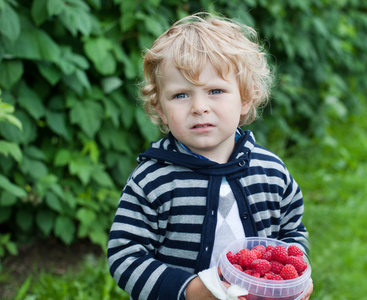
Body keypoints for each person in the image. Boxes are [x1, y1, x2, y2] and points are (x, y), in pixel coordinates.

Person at [107, 12, 313, 300]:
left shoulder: (271, 172)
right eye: (180, 95)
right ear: (160, 109)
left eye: (215, 90)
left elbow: (291, 235)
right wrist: (189, 290)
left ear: (245, 98)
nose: (199, 106)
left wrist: (296, 273)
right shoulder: (152, 181)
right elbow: (125, 256)